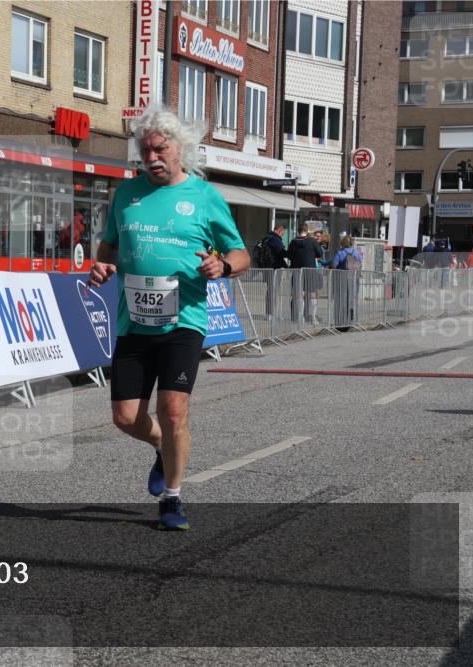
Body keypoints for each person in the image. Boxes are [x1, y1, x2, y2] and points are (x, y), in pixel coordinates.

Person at [88, 105, 250, 531]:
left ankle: (173, 499)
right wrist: (103, 266)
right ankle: (162, 446)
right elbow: (109, 248)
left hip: (185, 320)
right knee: (125, 418)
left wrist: (223, 267)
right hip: (133, 323)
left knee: (174, 409)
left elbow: (240, 253)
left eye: (160, 150)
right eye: (145, 153)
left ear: (182, 148)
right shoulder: (126, 194)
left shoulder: (205, 196)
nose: (152, 159)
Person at [287, 223, 322, 324]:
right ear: (307, 231)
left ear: (299, 231)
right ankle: (313, 318)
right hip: (310, 270)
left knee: (299, 294)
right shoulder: (312, 241)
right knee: (312, 294)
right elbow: (319, 253)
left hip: (297, 270)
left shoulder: (293, 242)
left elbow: (289, 255)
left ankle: (300, 317)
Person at [327, 235, 363, 328]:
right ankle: (351, 321)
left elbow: (334, 265)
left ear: (343, 243)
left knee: (340, 301)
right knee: (351, 301)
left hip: (341, 280)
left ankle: (340, 322)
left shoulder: (340, 253)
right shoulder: (356, 253)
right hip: (354, 279)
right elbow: (360, 265)